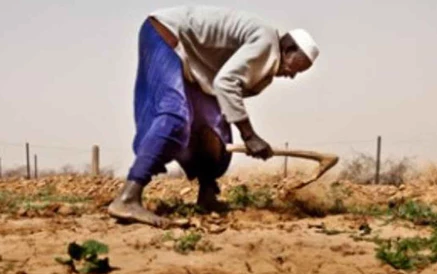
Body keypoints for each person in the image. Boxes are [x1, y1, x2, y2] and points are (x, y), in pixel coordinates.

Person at [108, 5, 319, 227]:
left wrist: (247, 133)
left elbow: (223, 87)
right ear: (288, 48)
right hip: (167, 37)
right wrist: (250, 136)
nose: (293, 75)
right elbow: (226, 83)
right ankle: (127, 197)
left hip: (192, 61)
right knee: (174, 117)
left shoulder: (265, 44)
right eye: (297, 67)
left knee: (218, 132)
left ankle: (207, 195)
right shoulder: (267, 43)